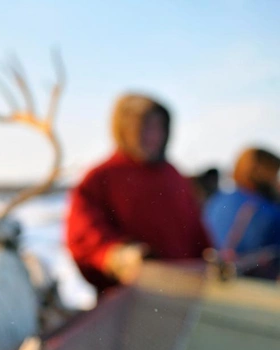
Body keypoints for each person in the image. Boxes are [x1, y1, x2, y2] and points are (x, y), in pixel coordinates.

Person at [66, 93, 211, 296]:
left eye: (159, 128)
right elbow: (83, 233)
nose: (154, 136)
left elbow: (195, 228)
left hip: (185, 290)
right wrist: (117, 255)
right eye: (146, 128)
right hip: (130, 298)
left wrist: (210, 257)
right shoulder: (101, 177)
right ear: (126, 130)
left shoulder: (174, 175)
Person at [203, 147, 280, 279]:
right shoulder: (269, 211)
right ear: (264, 174)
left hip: (210, 282)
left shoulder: (217, 199)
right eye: (275, 173)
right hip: (252, 290)